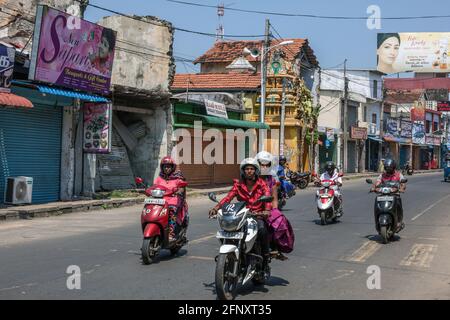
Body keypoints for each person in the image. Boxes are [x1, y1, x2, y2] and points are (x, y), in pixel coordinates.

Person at [208, 158, 272, 277]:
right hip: (240, 215)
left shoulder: (262, 184)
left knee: (262, 230)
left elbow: (267, 197)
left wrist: (267, 211)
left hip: (256, 214)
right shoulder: (238, 185)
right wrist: (216, 208)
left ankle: (265, 259)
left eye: (252, 169)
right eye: (247, 169)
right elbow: (228, 198)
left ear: (256, 171)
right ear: (243, 171)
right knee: (227, 230)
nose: (249, 171)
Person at [153, 156, 187, 242]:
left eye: (168, 166)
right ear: (162, 167)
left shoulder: (177, 177)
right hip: (161, 199)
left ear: (172, 167)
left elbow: (182, 187)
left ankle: (171, 234)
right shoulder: (159, 178)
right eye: (165, 166)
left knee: (172, 211)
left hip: (173, 200)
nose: (166, 168)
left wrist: (179, 190)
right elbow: (154, 187)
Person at [373, 158, 406, 231]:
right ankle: (377, 219)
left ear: (393, 167)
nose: (388, 169)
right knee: (377, 203)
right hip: (383, 195)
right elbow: (377, 183)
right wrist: (374, 188)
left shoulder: (398, 175)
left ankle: (399, 221)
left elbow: (403, 183)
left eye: (390, 168)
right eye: (387, 168)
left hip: (395, 195)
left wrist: (402, 188)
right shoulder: (382, 175)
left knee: (399, 206)